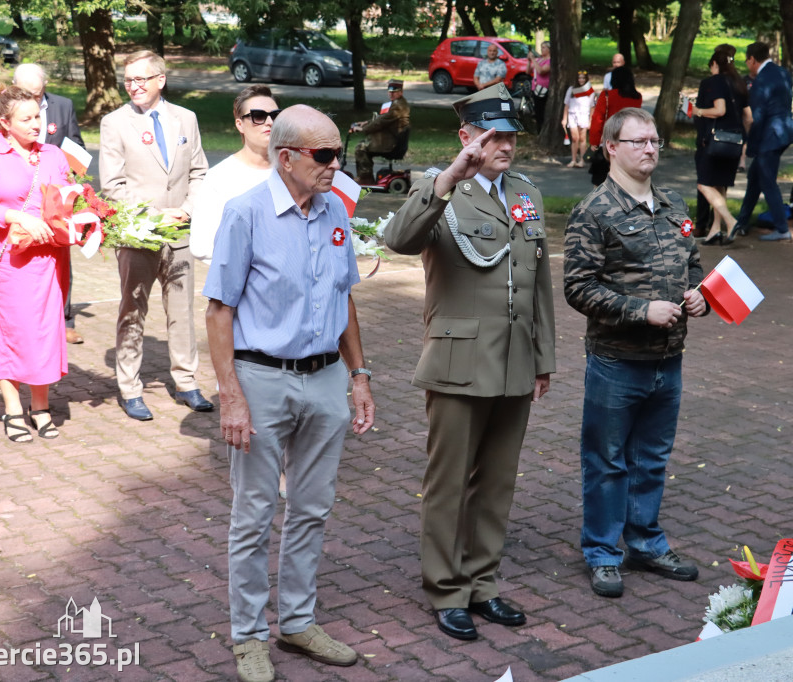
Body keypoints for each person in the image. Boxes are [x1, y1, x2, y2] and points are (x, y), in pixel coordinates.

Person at [203, 104, 375, 682]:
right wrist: (230, 394)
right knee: (253, 512)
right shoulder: (245, 213)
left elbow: (344, 296)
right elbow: (220, 309)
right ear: (286, 156)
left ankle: (298, 622)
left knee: (312, 507)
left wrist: (359, 375)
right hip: (261, 378)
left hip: (326, 377)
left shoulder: (335, 212)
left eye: (337, 154)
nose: (334, 165)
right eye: (323, 155)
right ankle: (249, 636)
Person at [383, 84, 556, 641]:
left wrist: (543, 357)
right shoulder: (437, 188)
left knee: (498, 480)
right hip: (458, 361)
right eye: (494, 136)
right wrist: (447, 178)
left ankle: (483, 582)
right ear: (467, 138)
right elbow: (398, 239)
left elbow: (540, 286)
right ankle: (446, 588)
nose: (505, 145)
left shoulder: (525, 192)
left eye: (510, 136)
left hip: (514, 360)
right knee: (449, 480)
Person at [564, 108, 708, 599]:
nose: (649, 148)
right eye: (638, 141)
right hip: (616, 360)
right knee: (607, 460)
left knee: (651, 459)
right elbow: (578, 288)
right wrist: (639, 311)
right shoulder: (594, 211)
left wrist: (700, 295)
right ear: (611, 148)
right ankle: (603, 553)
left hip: (670, 360)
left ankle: (645, 541)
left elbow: (693, 264)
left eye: (654, 141)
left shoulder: (674, 206)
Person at [99, 50, 212, 421]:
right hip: (138, 235)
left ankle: (186, 382)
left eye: (141, 79)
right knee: (133, 309)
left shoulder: (186, 118)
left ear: (160, 80)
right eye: (128, 79)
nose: (133, 86)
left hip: (180, 232)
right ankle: (130, 387)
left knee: (182, 311)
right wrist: (155, 216)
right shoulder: (115, 123)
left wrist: (189, 209)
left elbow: (200, 173)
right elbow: (112, 186)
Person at [0, 84, 72, 442]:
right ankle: (12, 407)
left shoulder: (53, 156)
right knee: (12, 333)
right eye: (26, 119)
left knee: (44, 334)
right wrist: (17, 217)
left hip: (49, 260)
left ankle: (40, 407)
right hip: (10, 261)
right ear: (5, 122)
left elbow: (68, 199)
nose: (36, 124)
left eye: (38, 116)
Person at [0, 64, 87, 344]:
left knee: (60, 263)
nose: (34, 97)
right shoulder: (5, 110)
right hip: (19, 208)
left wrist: (71, 188)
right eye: (27, 93)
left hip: (55, 195)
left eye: (38, 93)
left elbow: (76, 144)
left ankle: (64, 319)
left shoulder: (63, 106)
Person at [191, 85, 278, 264]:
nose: (269, 122)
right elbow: (202, 246)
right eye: (259, 116)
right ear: (240, 124)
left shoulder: (295, 171)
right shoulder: (219, 177)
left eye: (275, 116)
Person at [728, 42, 793, 244]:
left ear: (752, 59)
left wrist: (749, 141)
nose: (747, 65)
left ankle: (782, 229)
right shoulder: (783, 73)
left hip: (770, 136)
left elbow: (755, 116)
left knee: (766, 180)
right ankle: (741, 221)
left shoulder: (761, 81)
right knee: (755, 177)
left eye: (747, 61)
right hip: (784, 131)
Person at [693, 51, 751, 245]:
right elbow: (749, 117)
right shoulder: (739, 83)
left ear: (715, 64)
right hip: (734, 141)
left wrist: (697, 111)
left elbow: (720, 110)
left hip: (716, 141)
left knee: (704, 184)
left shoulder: (715, 81)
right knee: (719, 184)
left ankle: (730, 220)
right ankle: (715, 230)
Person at [587, 66, 642, 185]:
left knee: (600, 180)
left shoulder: (607, 95)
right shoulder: (637, 98)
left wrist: (594, 141)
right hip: (629, 142)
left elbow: (598, 119)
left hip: (609, 141)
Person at [348, 79, 410, 186]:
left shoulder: (398, 106)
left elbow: (381, 122)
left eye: (394, 91)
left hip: (391, 143)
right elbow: (381, 118)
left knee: (361, 148)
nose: (391, 93)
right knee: (363, 145)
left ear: (401, 92)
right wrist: (365, 122)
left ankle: (365, 178)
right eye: (390, 91)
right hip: (391, 139)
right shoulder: (398, 103)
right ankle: (365, 177)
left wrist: (363, 129)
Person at [562, 70, 593, 168]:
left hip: (584, 116)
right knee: (575, 138)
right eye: (579, 78)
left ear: (586, 79)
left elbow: (592, 107)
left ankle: (582, 160)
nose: (581, 80)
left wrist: (590, 120)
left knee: (583, 139)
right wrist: (564, 119)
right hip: (572, 115)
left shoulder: (589, 91)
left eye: (583, 78)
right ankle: (573, 160)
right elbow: (566, 105)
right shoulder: (571, 90)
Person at [526, 41, 550, 130]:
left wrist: (533, 59)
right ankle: (539, 129)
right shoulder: (539, 60)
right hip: (535, 88)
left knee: (541, 111)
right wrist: (529, 61)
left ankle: (542, 129)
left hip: (544, 89)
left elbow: (541, 71)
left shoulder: (549, 61)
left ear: (549, 49)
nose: (542, 49)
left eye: (544, 47)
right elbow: (528, 71)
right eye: (541, 47)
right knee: (537, 111)